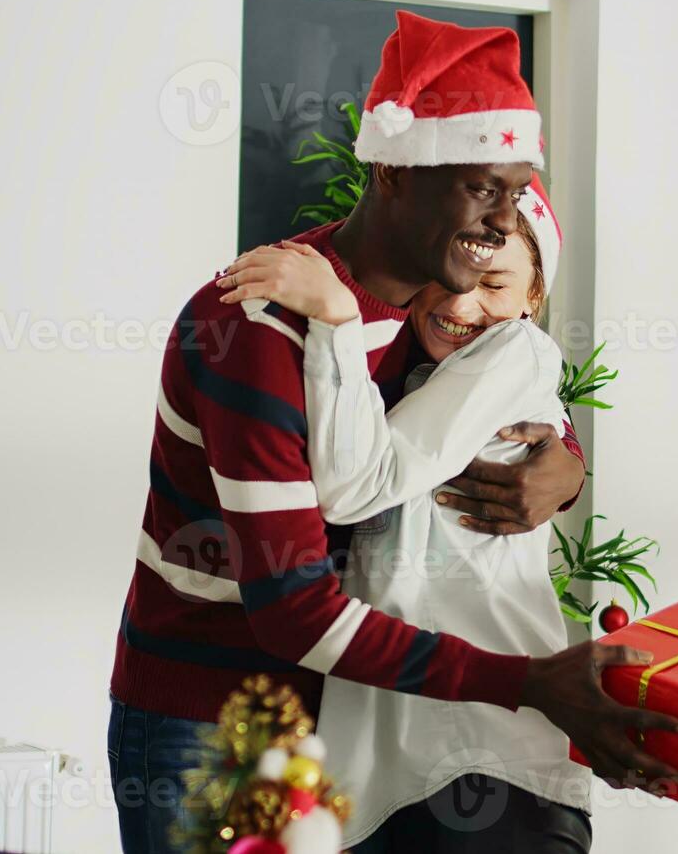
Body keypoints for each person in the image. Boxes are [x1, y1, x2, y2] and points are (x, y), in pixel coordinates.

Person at [106, 11, 678, 853]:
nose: (500, 220)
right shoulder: (259, 325)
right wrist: (527, 683)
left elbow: (492, 397)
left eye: (516, 191)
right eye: (481, 187)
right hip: (213, 716)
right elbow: (296, 612)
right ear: (390, 173)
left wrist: (564, 463)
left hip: (348, 719)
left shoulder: (436, 318)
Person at [217, 171, 591, 850]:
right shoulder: (409, 368)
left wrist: (334, 317)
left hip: (487, 750)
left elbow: (357, 486)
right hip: (391, 758)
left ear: (535, 295)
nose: (461, 303)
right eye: (453, 274)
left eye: (495, 283)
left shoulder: (516, 351)